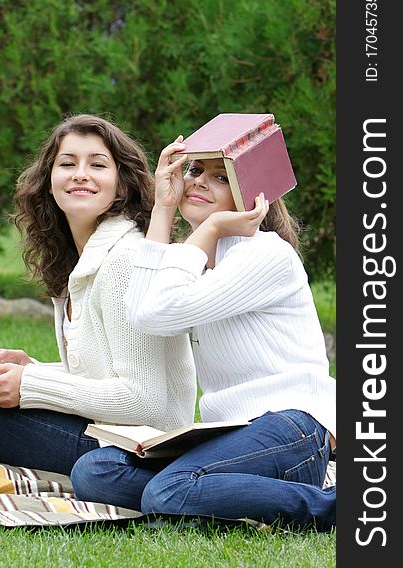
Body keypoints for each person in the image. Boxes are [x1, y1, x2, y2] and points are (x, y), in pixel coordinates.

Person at [71, 135, 336, 531]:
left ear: (250, 193)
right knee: (95, 470)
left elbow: (156, 312)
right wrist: (162, 207)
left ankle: (334, 507)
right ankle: (210, 501)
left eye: (220, 177)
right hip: (231, 435)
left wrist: (209, 228)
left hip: (293, 427)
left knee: (166, 491)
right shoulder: (194, 260)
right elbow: (141, 312)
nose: (197, 181)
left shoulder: (265, 255)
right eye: (195, 170)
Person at [0, 117, 196, 475]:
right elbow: (101, 375)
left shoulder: (126, 260)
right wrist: (32, 369)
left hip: (134, 451)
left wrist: (29, 384)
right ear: (49, 182)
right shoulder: (82, 260)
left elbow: (144, 402)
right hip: (103, 433)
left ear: (121, 185)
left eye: (98, 164)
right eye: (68, 163)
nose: (80, 174)